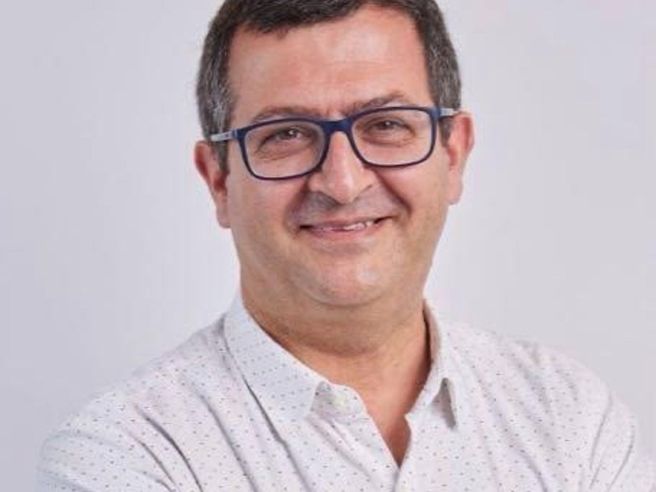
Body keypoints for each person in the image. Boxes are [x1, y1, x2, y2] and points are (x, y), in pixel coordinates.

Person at [37, 0, 654, 490]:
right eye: (286, 134)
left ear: (453, 154)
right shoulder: (125, 455)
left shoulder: (568, 415)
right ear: (219, 180)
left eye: (385, 125)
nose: (342, 182)